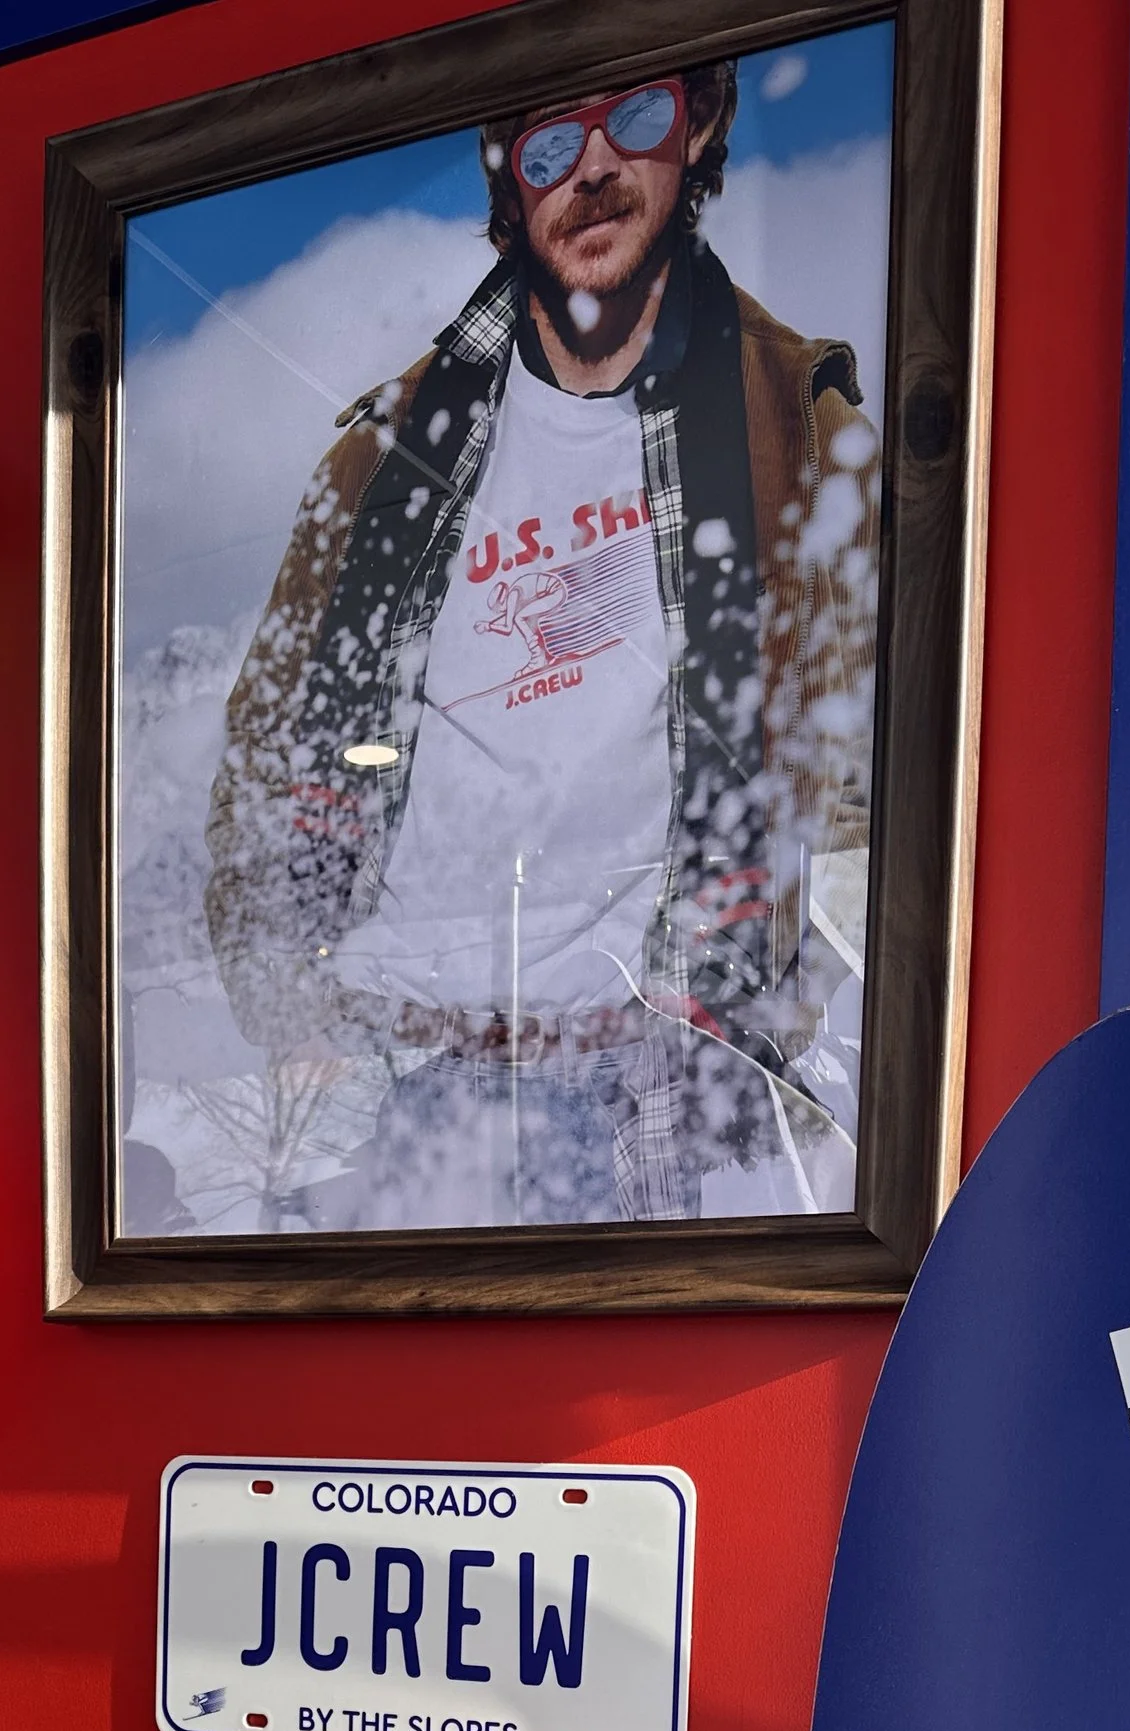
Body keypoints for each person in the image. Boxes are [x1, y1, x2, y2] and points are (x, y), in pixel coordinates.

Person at [205, 61, 878, 1227]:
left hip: (668, 1077)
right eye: (550, 147)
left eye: (633, 116)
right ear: (509, 186)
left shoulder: (799, 428)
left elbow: (871, 779)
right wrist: (294, 1021)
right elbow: (266, 761)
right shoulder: (383, 460)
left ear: (701, 123)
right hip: (397, 1083)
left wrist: (785, 1033)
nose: (596, 167)